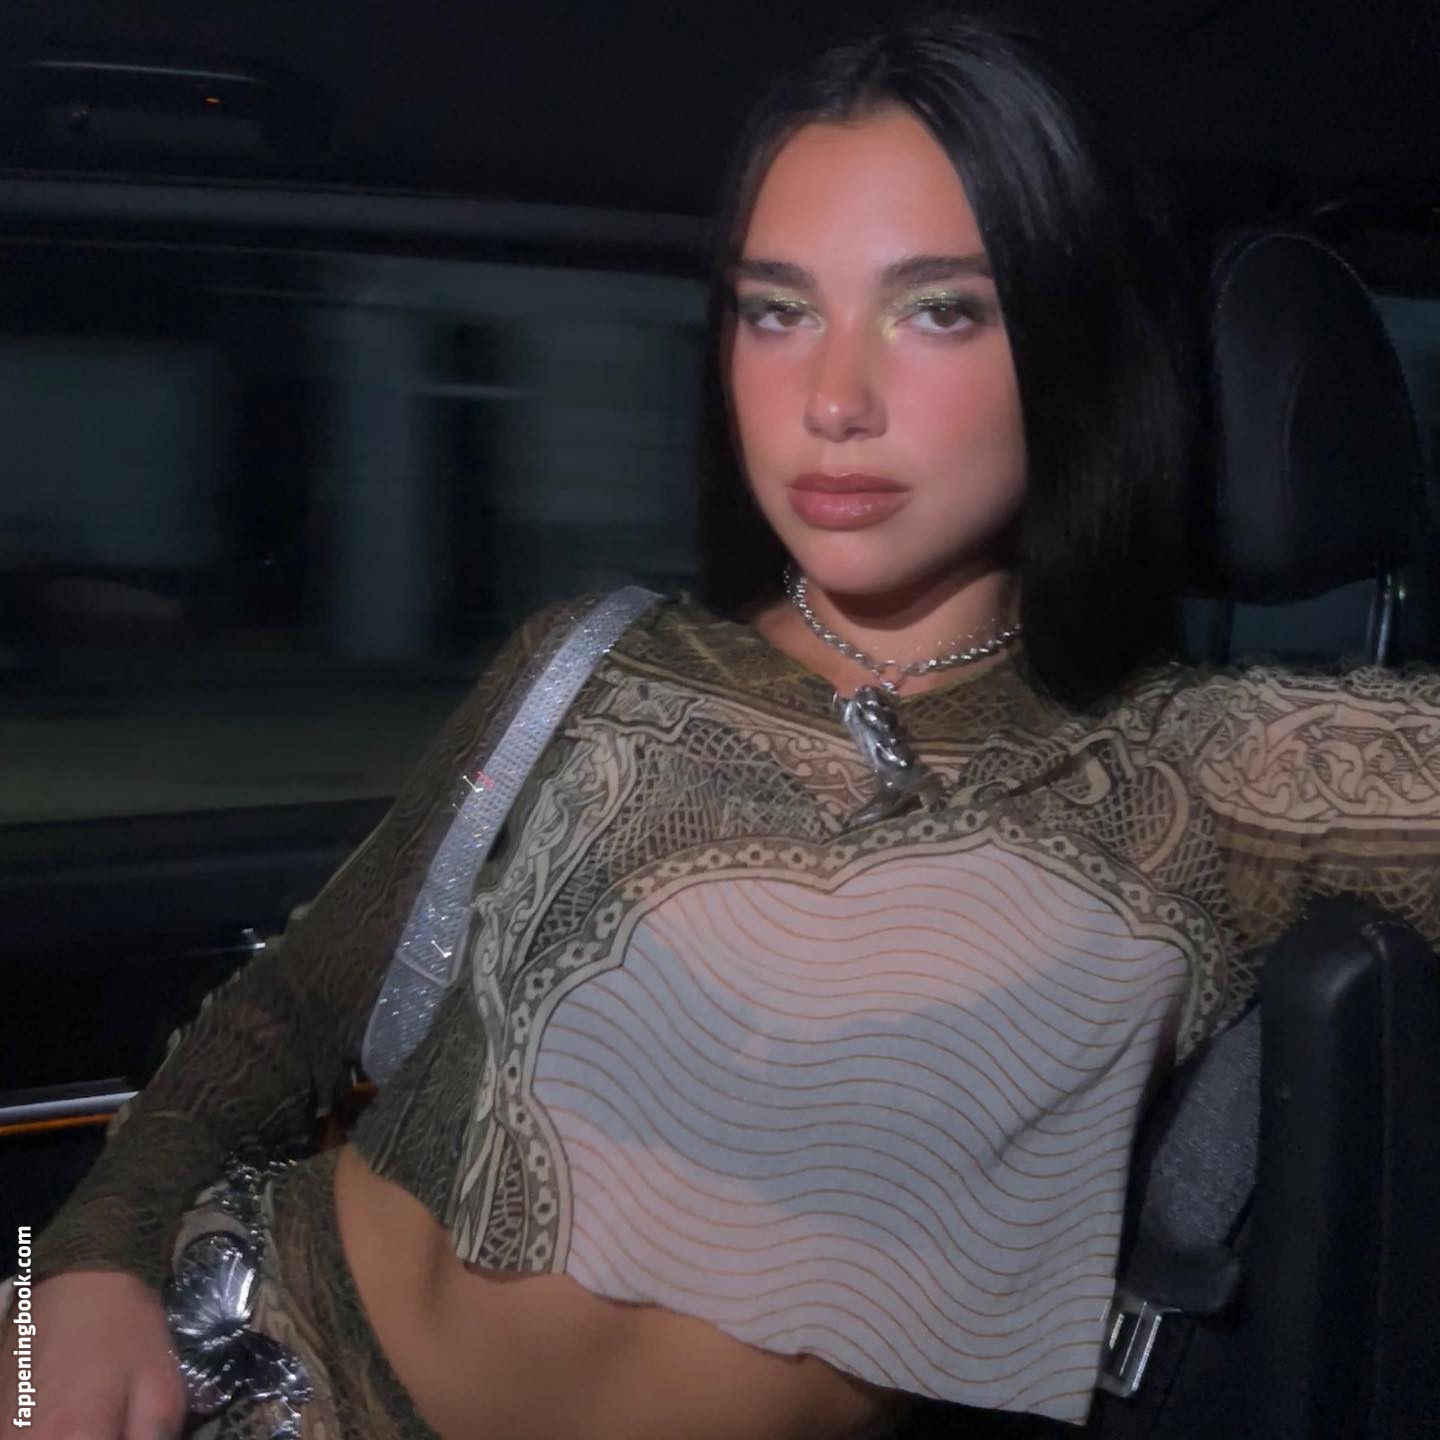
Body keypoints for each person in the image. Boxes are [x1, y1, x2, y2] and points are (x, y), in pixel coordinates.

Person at [6, 12, 1440, 1439]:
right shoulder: (594, 662)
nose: (833, 401)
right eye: (778, 310)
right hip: (230, 1338)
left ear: (1071, 351)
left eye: (940, 309)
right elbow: (291, 1010)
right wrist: (73, 1268)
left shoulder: (1218, 772)